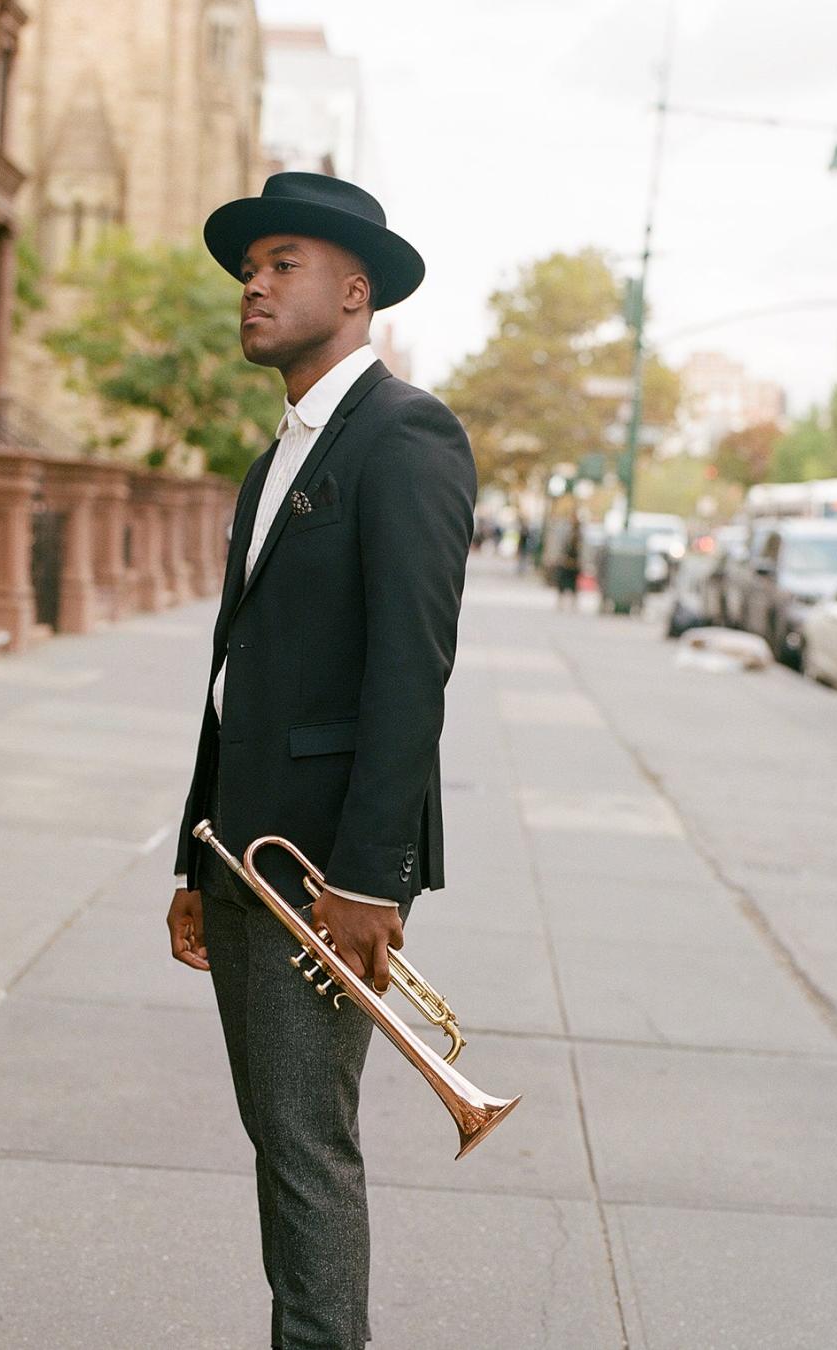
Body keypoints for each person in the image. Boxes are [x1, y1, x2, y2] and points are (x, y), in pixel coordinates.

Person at [165, 172, 476, 1350]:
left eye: (281, 262)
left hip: (325, 872)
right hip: (243, 851)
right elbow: (233, 675)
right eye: (250, 266)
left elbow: (413, 672)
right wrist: (196, 855)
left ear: (355, 292)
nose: (253, 283)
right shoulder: (277, 455)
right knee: (279, 1137)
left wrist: (372, 878)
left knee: (305, 1147)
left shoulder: (408, 435)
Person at [555, 515, 583, 608]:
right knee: (562, 582)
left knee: (573, 584)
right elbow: (562, 547)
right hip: (566, 561)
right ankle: (561, 602)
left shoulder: (580, 535)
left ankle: (573, 603)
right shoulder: (567, 533)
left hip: (575, 562)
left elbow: (582, 551)